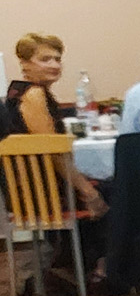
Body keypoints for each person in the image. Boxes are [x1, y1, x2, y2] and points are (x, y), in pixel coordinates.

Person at [6, 32, 108, 220]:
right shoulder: (34, 95)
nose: (55, 65)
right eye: (45, 59)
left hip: (34, 189)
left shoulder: (19, 91)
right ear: (25, 63)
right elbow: (52, 150)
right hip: (42, 193)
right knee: (117, 190)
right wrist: (88, 191)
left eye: (57, 59)